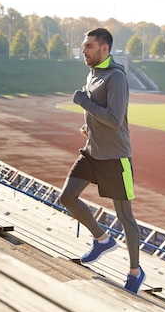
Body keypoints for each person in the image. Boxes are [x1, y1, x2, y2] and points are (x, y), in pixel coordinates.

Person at [59, 27, 146, 294]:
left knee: (125, 217)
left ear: (104, 49)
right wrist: (88, 127)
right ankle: (102, 239)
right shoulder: (92, 72)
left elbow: (114, 119)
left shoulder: (116, 77)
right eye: (84, 46)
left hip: (115, 157)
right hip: (92, 151)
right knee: (67, 197)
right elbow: (98, 116)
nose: (83, 51)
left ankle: (135, 271)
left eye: (88, 46)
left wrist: (83, 102)